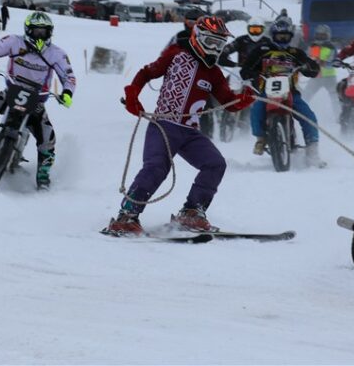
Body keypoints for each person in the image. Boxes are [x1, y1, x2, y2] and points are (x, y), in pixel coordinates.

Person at [105, 16, 255, 236]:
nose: (215, 49)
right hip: (164, 125)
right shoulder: (176, 54)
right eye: (211, 42)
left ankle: (191, 212)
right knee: (157, 167)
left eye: (220, 44)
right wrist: (132, 94)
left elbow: (228, 102)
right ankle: (127, 216)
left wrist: (244, 99)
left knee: (215, 164)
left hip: (190, 133)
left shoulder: (214, 72)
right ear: (198, 37)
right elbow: (147, 73)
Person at [0, 12, 76, 189]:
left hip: (37, 100)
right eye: (36, 31)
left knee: (48, 136)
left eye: (44, 32)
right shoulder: (14, 41)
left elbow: (69, 76)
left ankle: (43, 174)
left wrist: (67, 93)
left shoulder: (56, 54)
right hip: (12, 91)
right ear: (28, 30)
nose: (40, 36)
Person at [240, 17, 325, 167]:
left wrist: (309, 67)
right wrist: (251, 74)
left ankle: (312, 151)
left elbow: (312, 68)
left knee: (308, 115)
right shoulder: (262, 50)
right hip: (267, 91)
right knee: (256, 110)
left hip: (290, 92)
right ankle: (260, 139)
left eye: (285, 37)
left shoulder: (295, 52)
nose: (282, 39)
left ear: (290, 37)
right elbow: (245, 68)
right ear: (273, 36)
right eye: (279, 37)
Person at [302, 24, 340, 117]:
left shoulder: (331, 47)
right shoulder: (313, 46)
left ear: (327, 35)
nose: (320, 37)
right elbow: (308, 58)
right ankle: (300, 113)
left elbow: (334, 61)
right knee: (305, 96)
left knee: (335, 98)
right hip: (316, 76)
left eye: (323, 35)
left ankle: (339, 116)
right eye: (319, 35)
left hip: (329, 77)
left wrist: (325, 63)